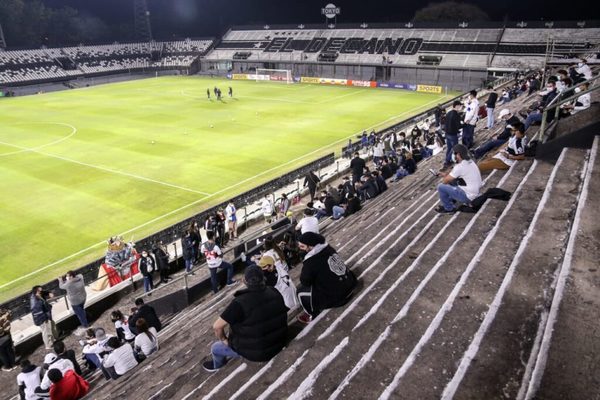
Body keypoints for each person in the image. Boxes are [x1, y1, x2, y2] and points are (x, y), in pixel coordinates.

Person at [202, 265, 288, 372]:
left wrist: (224, 340)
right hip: (278, 342)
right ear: (263, 278)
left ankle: (217, 365)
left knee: (215, 348)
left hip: (257, 353)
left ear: (244, 281)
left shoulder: (240, 303)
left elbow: (217, 326)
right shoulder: (274, 291)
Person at [295, 232, 357, 324]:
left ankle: (311, 315)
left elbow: (305, 282)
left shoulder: (310, 261)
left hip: (340, 297)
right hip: (351, 283)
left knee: (300, 291)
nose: (300, 249)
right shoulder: (328, 247)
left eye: (302, 247)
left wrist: (305, 264)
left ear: (310, 246)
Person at [435, 144, 483, 214]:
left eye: (454, 153)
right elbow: (456, 173)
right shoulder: (470, 161)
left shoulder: (459, 167)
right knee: (453, 180)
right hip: (476, 192)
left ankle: (449, 209)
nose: (453, 155)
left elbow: (445, 181)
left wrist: (445, 177)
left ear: (458, 154)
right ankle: (453, 199)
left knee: (440, 187)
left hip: (468, 196)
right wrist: (445, 174)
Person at [443, 100, 463, 168]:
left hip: (447, 133)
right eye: (460, 106)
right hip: (452, 134)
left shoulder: (449, 113)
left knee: (449, 148)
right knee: (454, 148)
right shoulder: (456, 115)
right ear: (457, 106)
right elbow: (459, 126)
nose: (461, 107)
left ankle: (447, 160)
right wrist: (465, 124)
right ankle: (447, 161)